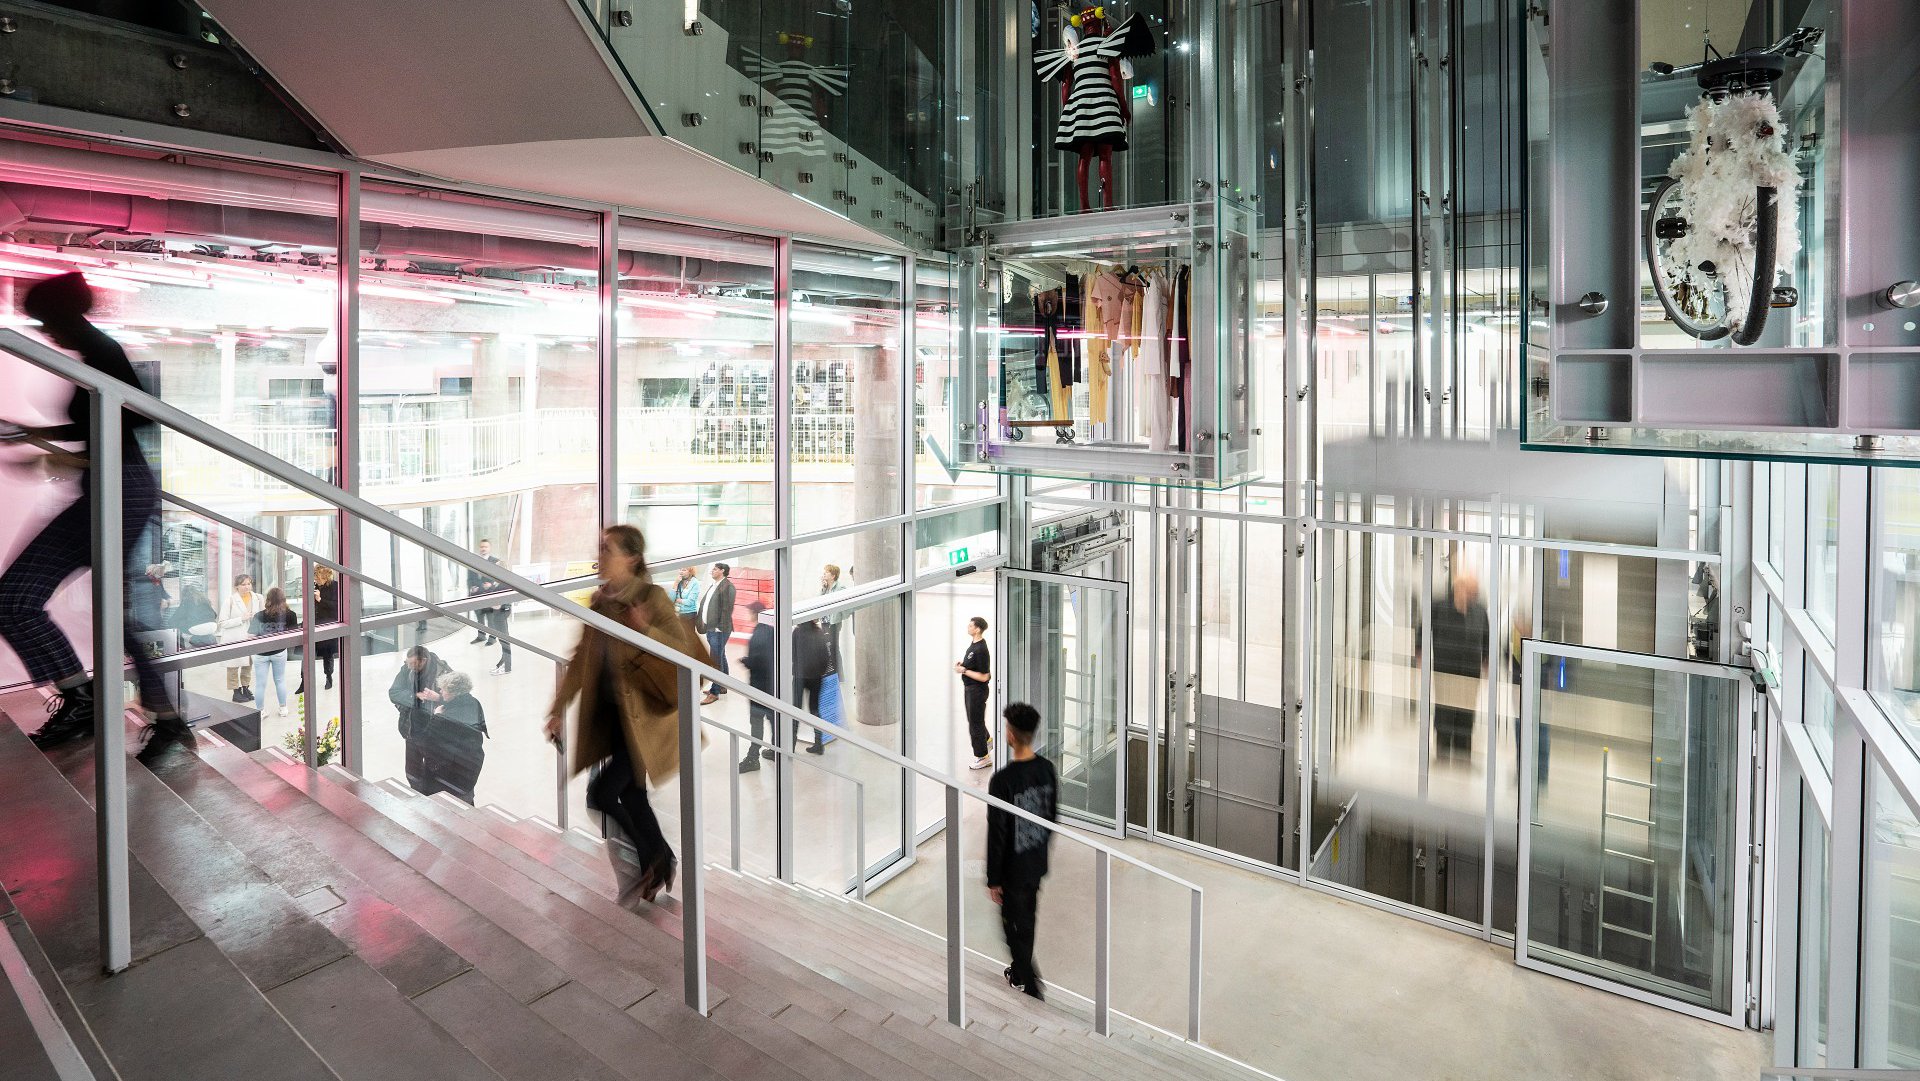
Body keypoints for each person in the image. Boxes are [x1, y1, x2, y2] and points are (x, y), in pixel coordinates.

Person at [0, 272, 192, 760]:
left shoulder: (101, 352)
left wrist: (66, 455)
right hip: (110, 488)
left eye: (46, 321)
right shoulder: (94, 354)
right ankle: (130, 709)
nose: (46, 333)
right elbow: (104, 417)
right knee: (20, 598)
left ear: (64, 315)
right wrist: (32, 434)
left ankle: (104, 705)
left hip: (118, 488)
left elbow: (139, 414)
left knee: (24, 597)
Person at [545, 526, 711, 902]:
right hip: (613, 720)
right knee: (632, 796)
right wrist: (558, 710)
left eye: (608, 548)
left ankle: (657, 859)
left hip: (643, 720)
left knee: (601, 795)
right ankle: (661, 859)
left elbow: (684, 652)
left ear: (631, 558)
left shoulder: (651, 598)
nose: (600, 553)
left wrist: (644, 628)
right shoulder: (600, 602)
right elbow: (580, 661)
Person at [987, 702, 1058, 1001]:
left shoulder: (1002, 781)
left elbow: (998, 833)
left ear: (1012, 736)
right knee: (1026, 916)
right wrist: (1040, 849)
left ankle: (1030, 985)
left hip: (1013, 869)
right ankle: (1021, 973)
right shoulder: (1047, 769)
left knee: (1014, 926)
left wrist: (993, 878)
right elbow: (1051, 817)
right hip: (1035, 861)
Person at [1418, 568, 1490, 764]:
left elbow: (1487, 639)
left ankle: (1462, 755)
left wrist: (1487, 664)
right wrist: (1420, 657)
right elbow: (1422, 632)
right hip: (1446, 670)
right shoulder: (1439, 607)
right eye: (1471, 591)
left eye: (1475, 592)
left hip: (1470, 673)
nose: (1474, 595)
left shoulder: (1480, 611)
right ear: (1459, 588)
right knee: (1445, 712)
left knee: (1466, 713)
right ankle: (1442, 752)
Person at [389, 645, 451, 795]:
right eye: (408, 663)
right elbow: (394, 692)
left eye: (412, 664)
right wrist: (414, 697)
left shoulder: (444, 673)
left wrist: (438, 698)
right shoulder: (407, 669)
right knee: (412, 771)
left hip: (435, 734)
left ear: (423, 661)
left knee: (436, 772)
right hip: (412, 729)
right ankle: (418, 798)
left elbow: (459, 700)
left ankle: (432, 799)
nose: (409, 667)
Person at [427, 671, 488, 804]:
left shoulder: (447, 718)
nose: (440, 691)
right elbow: (457, 704)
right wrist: (438, 699)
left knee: (453, 804)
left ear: (454, 692)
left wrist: (436, 716)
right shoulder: (473, 702)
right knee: (467, 801)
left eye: (444, 689)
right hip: (470, 767)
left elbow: (429, 738)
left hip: (452, 774)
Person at [248, 586, 300, 719]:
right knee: (280, 680)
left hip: (260, 653)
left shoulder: (259, 615)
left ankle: (260, 711)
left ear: (268, 600)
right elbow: (294, 636)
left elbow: (250, 636)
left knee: (260, 684)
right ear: (284, 599)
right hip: (279, 651)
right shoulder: (290, 615)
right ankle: (283, 708)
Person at [739, 601, 777, 773]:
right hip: (771, 686)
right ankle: (777, 751)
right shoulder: (771, 630)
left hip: (759, 687)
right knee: (772, 719)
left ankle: (753, 758)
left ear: (756, 613)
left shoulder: (759, 634)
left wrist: (745, 661)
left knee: (756, 722)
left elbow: (757, 661)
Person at [467, 539, 512, 675]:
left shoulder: (503, 583)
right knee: (503, 641)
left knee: (505, 642)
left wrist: (492, 596)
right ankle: (502, 664)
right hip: (499, 613)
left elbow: (500, 601)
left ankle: (507, 667)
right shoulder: (498, 582)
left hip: (500, 614)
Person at [219, 572, 264, 703]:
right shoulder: (230, 600)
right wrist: (241, 619)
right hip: (234, 638)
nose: (246, 587)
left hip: (250, 637)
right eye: (243, 584)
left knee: (248, 664)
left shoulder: (257, 598)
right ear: (236, 587)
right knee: (233, 666)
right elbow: (222, 623)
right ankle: (236, 692)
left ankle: (246, 688)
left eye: (249, 584)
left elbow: (262, 617)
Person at [956, 615, 993, 770]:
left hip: (977, 691)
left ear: (977, 629)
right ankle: (988, 741)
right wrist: (963, 665)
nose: (968, 627)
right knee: (975, 720)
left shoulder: (981, 650)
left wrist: (963, 670)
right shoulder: (974, 645)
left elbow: (985, 676)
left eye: (971, 626)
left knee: (975, 724)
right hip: (970, 689)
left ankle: (982, 757)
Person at [296, 565, 340, 694]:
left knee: (328, 653)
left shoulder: (335, 586)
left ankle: (329, 677)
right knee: (307, 653)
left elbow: (337, 607)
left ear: (326, 577)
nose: (316, 579)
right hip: (312, 623)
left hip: (327, 624)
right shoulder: (312, 585)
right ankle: (304, 681)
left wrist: (320, 599)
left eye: (318, 577)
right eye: (314, 576)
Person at [793, 617, 833, 754]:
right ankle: (818, 743)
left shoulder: (797, 633)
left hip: (800, 677)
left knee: (795, 711)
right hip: (816, 678)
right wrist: (820, 672)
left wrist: (796, 670)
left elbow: (792, 654)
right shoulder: (818, 633)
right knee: (815, 710)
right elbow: (826, 657)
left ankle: (790, 744)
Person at [697, 562, 736, 705]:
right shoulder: (714, 585)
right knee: (720, 655)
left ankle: (714, 692)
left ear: (722, 571)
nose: (711, 571)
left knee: (715, 660)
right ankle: (722, 686)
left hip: (719, 630)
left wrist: (718, 628)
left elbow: (727, 610)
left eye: (714, 569)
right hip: (711, 628)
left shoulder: (728, 587)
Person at [171, 582, 218, 647]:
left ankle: (192, 640)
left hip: (196, 629)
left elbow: (174, 619)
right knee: (200, 629)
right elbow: (215, 615)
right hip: (213, 626)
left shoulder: (186, 600)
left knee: (181, 628)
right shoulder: (204, 599)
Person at [129, 561, 171, 632]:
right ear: (155, 571)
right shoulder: (142, 580)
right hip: (146, 613)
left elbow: (163, 592)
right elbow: (140, 598)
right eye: (161, 572)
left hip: (156, 611)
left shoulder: (157, 580)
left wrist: (168, 598)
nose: (163, 574)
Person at [671, 565, 701, 640]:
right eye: (680, 569)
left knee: (689, 639)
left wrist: (677, 600)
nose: (681, 572)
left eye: (684, 570)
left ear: (690, 572)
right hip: (678, 614)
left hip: (689, 615)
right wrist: (676, 583)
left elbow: (689, 602)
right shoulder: (679, 581)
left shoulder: (695, 583)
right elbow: (671, 599)